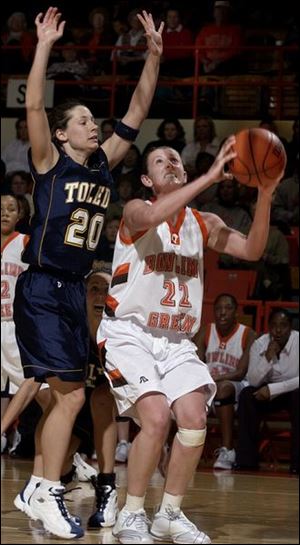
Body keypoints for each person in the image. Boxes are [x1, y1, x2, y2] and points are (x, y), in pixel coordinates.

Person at [12, 6, 164, 540]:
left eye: (93, 122)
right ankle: (44, 490)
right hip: (43, 284)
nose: (93, 126)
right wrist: (45, 46)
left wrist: (154, 56)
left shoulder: (103, 161)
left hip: (76, 290)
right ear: (61, 133)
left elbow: (138, 110)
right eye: (82, 121)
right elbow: (32, 101)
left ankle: (38, 483)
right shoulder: (49, 160)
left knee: (69, 393)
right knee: (72, 395)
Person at [98, 138, 283, 544]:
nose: (171, 164)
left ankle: (169, 514)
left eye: (175, 160)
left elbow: (252, 250)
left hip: (176, 340)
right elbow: (154, 212)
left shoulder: (204, 223)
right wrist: (209, 177)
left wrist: (266, 194)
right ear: (147, 178)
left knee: (195, 420)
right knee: (157, 417)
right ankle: (132, 514)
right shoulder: (136, 210)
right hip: (129, 334)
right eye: (160, 161)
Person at [194, 293, 256, 470]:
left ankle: (228, 450)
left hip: (237, 387)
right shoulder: (206, 330)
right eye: (218, 309)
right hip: (209, 384)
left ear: (236, 312)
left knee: (224, 388)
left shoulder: (248, 333)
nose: (223, 313)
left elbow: (240, 372)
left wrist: (214, 379)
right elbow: (196, 363)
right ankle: (169, 446)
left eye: (228, 308)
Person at [235, 308, 299, 474]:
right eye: (274, 326)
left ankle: (297, 464)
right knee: (246, 396)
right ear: (269, 327)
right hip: (265, 391)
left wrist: (273, 389)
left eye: (283, 326)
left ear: (291, 327)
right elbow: (253, 380)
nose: (278, 330)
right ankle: (246, 461)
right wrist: (267, 358)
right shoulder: (260, 344)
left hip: (292, 391)